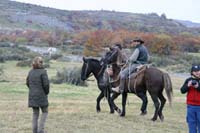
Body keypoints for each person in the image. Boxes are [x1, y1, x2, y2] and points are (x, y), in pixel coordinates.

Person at [26, 56, 50, 133]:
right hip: (42, 95)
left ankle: (34, 131)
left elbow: (27, 83)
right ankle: (40, 130)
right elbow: (46, 85)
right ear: (41, 63)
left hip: (32, 95)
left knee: (35, 114)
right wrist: (46, 92)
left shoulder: (30, 72)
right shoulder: (43, 72)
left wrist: (32, 90)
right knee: (45, 112)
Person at [180, 65, 200, 133]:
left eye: (198, 71)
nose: (197, 72)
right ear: (192, 72)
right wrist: (187, 85)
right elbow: (182, 91)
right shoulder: (188, 80)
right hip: (191, 106)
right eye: (195, 71)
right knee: (191, 124)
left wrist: (198, 87)